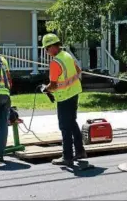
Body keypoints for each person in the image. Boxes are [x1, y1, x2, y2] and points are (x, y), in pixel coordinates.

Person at [40, 33, 86, 166]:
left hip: (64, 97)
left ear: (53, 46)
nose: (46, 51)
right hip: (74, 93)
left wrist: (46, 89)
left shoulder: (55, 63)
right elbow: (78, 71)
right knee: (72, 122)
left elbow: (53, 85)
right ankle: (80, 151)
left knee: (65, 127)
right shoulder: (67, 55)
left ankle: (67, 157)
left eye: (46, 48)